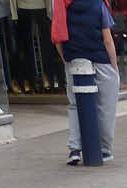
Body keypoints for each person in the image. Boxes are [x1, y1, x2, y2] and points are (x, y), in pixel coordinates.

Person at [52, 0, 120, 164]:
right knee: (106, 105)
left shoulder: (62, 4)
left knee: (75, 104)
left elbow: (58, 38)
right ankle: (104, 149)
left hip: (74, 59)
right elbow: (107, 39)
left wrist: (66, 61)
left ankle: (74, 149)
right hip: (101, 59)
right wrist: (114, 65)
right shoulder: (98, 4)